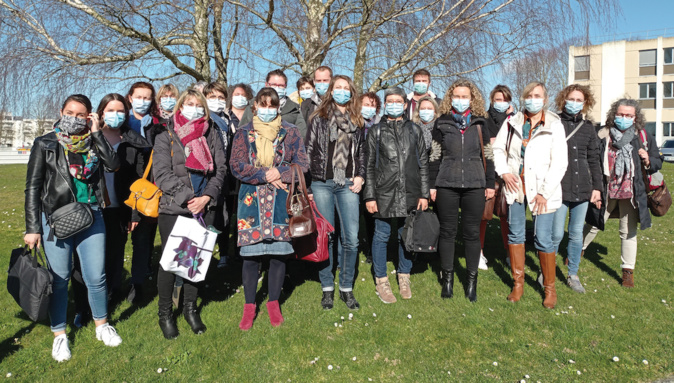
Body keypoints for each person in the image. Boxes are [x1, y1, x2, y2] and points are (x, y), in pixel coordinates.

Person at [24, 94, 122, 362]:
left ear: (90, 116)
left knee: (96, 275)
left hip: (92, 215)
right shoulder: (46, 143)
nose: (75, 118)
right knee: (60, 278)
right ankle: (59, 335)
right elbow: (33, 187)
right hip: (56, 218)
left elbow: (113, 165)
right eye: (70, 112)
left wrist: (97, 133)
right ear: (61, 111)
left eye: (81, 115)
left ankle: (102, 325)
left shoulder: (93, 141)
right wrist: (33, 227)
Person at [230, 88, 309, 330]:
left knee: (278, 254)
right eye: (262, 105)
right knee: (251, 257)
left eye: (271, 105)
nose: (267, 109)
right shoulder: (244, 133)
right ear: (255, 107)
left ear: (278, 107)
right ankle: (249, 306)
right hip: (251, 200)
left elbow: (303, 163)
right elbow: (236, 165)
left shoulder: (290, 131)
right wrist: (265, 174)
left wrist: (281, 172)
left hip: (281, 199)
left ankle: (273, 302)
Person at [152, 89, 227, 339]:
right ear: (180, 106)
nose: (193, 108)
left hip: (205, 207)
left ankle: (190, 309)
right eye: (188, 104)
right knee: (170, 263)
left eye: (198, 104)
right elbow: (162, 174)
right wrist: (189, 198)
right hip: (175, 207)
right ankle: (165, 313)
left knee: (195, 260)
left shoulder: (211, 131)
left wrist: (206, 198)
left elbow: (220, 169)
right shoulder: (166, 135)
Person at [492, 82, 568, 309]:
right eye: (529, 95)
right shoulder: (511, 121)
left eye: (537, 95)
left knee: (543, 238)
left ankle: (550, 289)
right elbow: (498, 150)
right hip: (516, 187)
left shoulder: (555, 125)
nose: (532, 99)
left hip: (543, 191)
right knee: (515, 235)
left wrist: (545, 192)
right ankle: (518, 284)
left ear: (545, 99)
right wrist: (504, 171)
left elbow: (560, 162)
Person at [582, 98, 662, 288]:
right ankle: (577, 252)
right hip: (605, 189)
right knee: (593, 223)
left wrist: (648, 159)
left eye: (628, 115)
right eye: (620, 114)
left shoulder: (642, 136)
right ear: (613, 114)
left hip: (631, 192)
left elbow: (658, 162)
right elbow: (590, 159)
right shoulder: (602, 134)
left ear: (635, 118)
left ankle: (628, 272)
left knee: (628, 232)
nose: (624, 118)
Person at [429, 79, 495, 302]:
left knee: (471, 234)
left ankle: (471, 281)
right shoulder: (441, 122)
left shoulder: (480, 123)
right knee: (447, 232)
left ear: (472, 98)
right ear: (450, 97)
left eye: (464, 95)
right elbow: (435, 156)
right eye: (456, 95)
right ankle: (447, 279)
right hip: (446, 183)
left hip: (475, 184)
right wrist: (432, 185)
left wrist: (489, 184)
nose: (460, 99)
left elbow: (488, 155)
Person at [364, 87, 430, 304]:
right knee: (381, 235)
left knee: (406, 234)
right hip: (384, 192)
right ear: (385, 105)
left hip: (411, 191)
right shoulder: (376, 131)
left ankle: (404, 275)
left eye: (398, 101)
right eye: (389, 101)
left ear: (404, 105)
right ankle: (381, 279)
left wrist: (424, 193)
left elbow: (423, 165)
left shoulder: (415, 130)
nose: (394, 104)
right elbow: (369, 167)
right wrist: (370, 196)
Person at [305, 75, 365, 310]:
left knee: (351, 238)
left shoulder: (357, 121)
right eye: (337, 88)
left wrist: (360, 175)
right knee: (326, 236)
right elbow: (308, 152)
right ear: (331, 91)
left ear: (351, 93)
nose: (342, 91)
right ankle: (327, 287)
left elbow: (362, 153)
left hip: (348, 183)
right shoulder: (318, 119)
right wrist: (309, 187)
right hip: (322, 183)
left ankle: (346, 287)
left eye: (346, 88)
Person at [99, 94, 152, 301]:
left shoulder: (133, 141)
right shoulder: (91, 137)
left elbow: (138, 181)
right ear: (102, 112)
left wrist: (134, 214)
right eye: (110, 110)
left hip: (119, 206)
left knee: (114, 252)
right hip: (93, 206)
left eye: (120, 111)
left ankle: (112, 291)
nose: (115, 115)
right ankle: (89, 296)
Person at [549, 84, 602, 293]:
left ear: (585, 103)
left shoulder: (588, 128)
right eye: (571, 99)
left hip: (582, 189)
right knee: (555, 234)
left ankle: (573, 273)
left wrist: (597, 187)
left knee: (576, 233)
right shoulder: (554, 123)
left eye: (579, 100)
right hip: (559, 187)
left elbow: (594, 160)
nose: (575, 103)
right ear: (563, 100)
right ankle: (547, 270)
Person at [126, 82, 161, 303]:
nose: (142, 101)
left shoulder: (156, 126)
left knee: (143, 238)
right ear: (130, 98)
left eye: (147, 98)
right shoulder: (122, 122)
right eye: (138, 97)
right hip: (123, 186)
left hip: (147, 189)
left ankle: (137, 283)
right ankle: (110, 284)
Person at [480, 85, 516, 270]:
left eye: (504, 100)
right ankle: (479, 252)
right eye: (497, 99)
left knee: (506, 215)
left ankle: (510, 253)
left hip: (509, 174)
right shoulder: (483, 119)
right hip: (487, 172)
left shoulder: (514, 120)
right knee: (484, 215)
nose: (501, 103)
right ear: (492, 100)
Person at [203, 82, 233, 269]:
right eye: (212, 97)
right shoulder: (205, 119)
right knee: (209, 218)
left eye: (221, 97)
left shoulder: (228, 121)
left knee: (224, 217)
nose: (217, 101)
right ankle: (203, 256)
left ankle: (223, 254)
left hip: (226, 176)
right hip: (210, 176)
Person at [240, 70, 307, 138]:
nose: (277, 88)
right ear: (266, 84)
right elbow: (241, 133)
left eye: (281, 85)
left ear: (285, 86)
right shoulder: (252, 106)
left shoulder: (294, 109)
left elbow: (302, 136)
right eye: (273, 84)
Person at [360, 91, 382, 264]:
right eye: (365, 104)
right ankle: (365, 245)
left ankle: (374, 250)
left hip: (376, 175)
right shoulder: (355, 125)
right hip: (358, 174)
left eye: (372, 105)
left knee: (373, 214)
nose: (369, 108)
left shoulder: (380, 126)